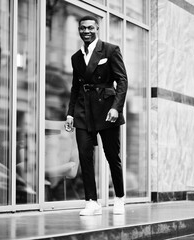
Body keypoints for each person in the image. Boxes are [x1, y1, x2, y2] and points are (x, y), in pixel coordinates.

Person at [65, 15, 128, 216]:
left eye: (90, 28)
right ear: (79, 30)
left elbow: (122, 80)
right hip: (83, 111)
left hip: (107, 110)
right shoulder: (76, 57)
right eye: (82, 28)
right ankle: (91, 201)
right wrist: (70, 113)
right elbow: (75, 87)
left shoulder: (110, 50)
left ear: (97, 28)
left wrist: (116, 108)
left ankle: (119, 197)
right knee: (85, 156)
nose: (86, 31)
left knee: (112, 156)